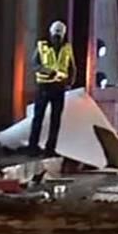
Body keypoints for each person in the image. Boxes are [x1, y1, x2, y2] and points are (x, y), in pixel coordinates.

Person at [29, 20, 75, 156]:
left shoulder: (67, 48)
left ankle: (51, 148)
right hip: (44, 86)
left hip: (59, 88)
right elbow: (35, 64)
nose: (56, 38)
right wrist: (50, 72)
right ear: (51, 33)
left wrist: (69, 82)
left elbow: (72, 67)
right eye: (55, 34)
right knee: (38, 117)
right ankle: (33, 146)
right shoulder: (42, 46)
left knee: (56, 119)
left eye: (59, 35)